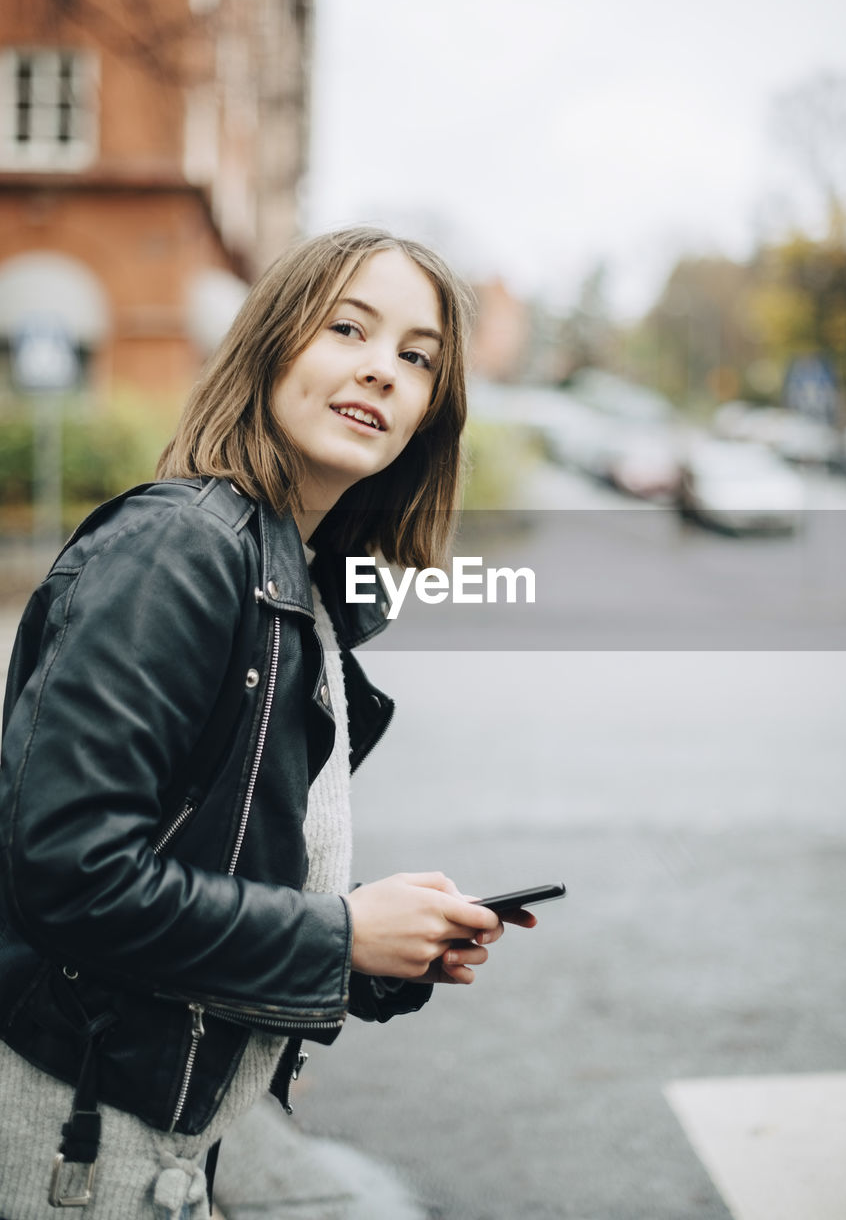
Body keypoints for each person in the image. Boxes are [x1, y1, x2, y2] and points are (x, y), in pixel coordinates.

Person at [0, 226, 535, 1219]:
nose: (381, 368)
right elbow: (71, 873)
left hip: (160, 1150)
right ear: (270, 343)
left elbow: (206, 859)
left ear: (429, 412)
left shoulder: (293, 585)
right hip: (74, 1144)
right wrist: (338, 935)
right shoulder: (178, 549)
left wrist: (379, 944)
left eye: (417, 357)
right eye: (348, 328)